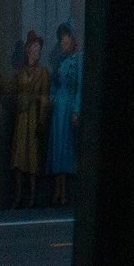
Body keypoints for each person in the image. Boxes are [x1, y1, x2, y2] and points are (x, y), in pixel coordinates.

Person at [4, 30, 47, 207]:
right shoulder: (20, 72)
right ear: (28, 49)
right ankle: (19, 194)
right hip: (21, 119)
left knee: (32, 159)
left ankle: (32, 196)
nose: (36, 52)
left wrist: (41, 121)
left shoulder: (43, 73)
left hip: (33, 119)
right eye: (34, 48)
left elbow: (44, 98)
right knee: (18, 158)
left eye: (39, 49)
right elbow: (10, 89)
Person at [47, 23, 82, 204]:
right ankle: (57, 190)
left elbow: (79, 88)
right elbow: (54, 83)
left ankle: (66, 191)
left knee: (67, 148)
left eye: (66, 41)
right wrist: (51, 97)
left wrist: (76, 110)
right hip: (58, 109)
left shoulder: (78, 60)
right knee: (58, 147)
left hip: (68, 107)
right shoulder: (59, 62)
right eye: (62, 41)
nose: (63, 44)